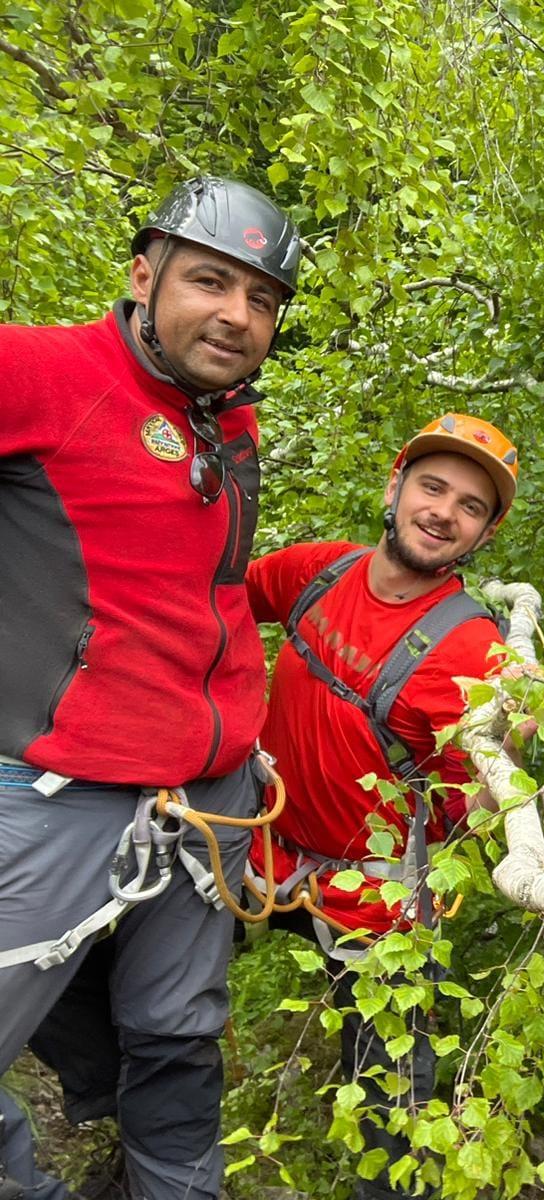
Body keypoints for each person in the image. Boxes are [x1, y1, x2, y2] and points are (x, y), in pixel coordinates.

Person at [0, 176, 300, 1200]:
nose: (237, 315)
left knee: (178, 1036)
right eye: (211, 282)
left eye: (262, 299)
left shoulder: (228, 423)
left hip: (204, 800)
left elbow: (199, 590)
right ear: (143, 275)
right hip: (60, 797)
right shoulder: (40, 371)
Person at [243, 413, 522, 1200]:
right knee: (137, 980)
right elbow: (213, 605)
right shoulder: (318, 573)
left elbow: (480, 813)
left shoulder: (476, 658)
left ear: (483, 535)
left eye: (470, 505)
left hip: (377, 906)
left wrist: (509, 742)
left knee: (393, 1113)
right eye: (433, 487)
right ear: (395, 489)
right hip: (258, 849)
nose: (444, 511)